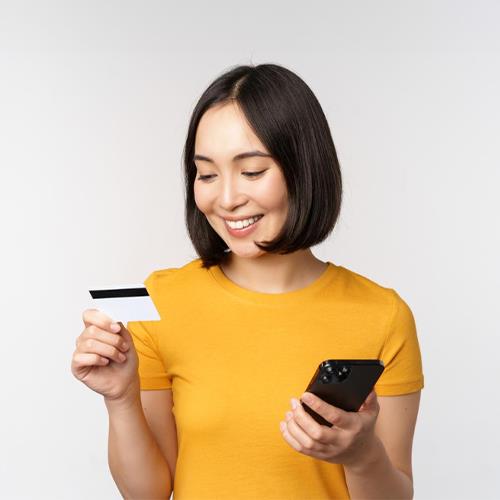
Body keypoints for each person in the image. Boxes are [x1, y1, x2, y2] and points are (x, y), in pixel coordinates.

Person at [71, 63, 424, 499]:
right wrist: (120, 399)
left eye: (252, 171)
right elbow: (149, 494)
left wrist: (361, 455)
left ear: (305, 169)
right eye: (206, 174)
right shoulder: (162, 300)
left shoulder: (383, 315)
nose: (227, 198)